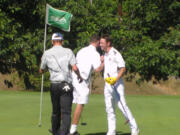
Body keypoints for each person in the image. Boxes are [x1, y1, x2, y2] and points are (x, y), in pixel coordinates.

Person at [40, 33, 83, 135]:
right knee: (66, 112)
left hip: (54, 85)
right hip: (66, 85)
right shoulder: (68, 51)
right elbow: (75, 68)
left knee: (55, 112)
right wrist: (79, 76)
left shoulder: (47, 53)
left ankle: (55, 132)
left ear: (52, 41)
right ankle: (64, 133)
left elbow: (41, 70)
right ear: (62, 41)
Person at [100, 34, 139, 135]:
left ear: (108, 43)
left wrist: (116, 79)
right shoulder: (105, 54)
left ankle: (134, 128)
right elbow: (101, 68)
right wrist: (102, 62)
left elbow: (123, 68)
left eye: (102, 43)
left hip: (116, 84)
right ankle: (111, 131)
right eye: (100, 43)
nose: (100, 45)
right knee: (109, 108)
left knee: (122, 106)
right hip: (107, 84)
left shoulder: (115, 53)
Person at [69, 35, 104, 135]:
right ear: (97, 42)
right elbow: (98, 69)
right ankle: (72, 130)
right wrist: (103, 61)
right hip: (82, 79)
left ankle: (63, 127)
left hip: (74, 76)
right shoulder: (95, 53)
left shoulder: (81, 50)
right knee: (81, 103)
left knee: (70, 102)